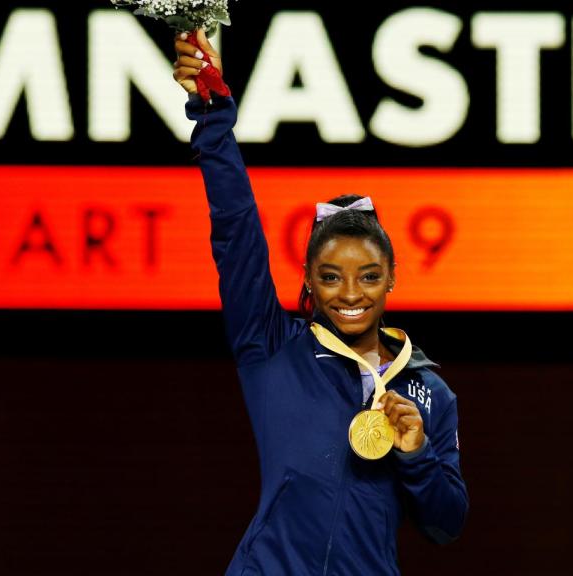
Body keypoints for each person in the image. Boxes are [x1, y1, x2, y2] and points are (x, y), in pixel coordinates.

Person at [173, 29, 468, 576]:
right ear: (307, 280)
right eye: (331, 276)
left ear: (392, 280)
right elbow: (235, 231)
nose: (351, 293)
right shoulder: (272, 345)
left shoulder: (429, 391)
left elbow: (445, 525)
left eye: (369, 276)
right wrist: (212, 119)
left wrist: (416, 452)